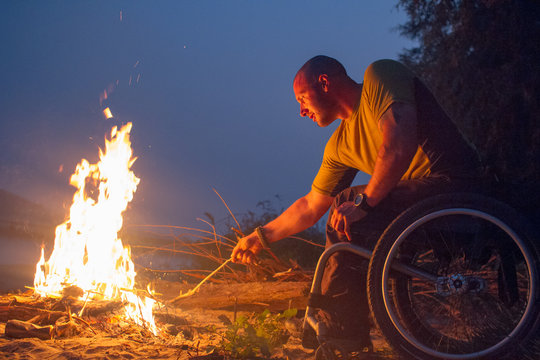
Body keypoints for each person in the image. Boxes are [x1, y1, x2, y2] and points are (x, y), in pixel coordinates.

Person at [231, 56, 481, 349]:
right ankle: (348, 329)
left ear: (323, 83)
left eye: (302, 98)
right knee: (344, 210)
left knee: (347, 203)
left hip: (456, 182)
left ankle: (342, 334)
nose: (300, 111)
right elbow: (311, 205)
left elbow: (398, 145)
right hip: (419, 204)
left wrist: (364, 202)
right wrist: (261, 236)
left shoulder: (379, 76)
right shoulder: (339, 146)